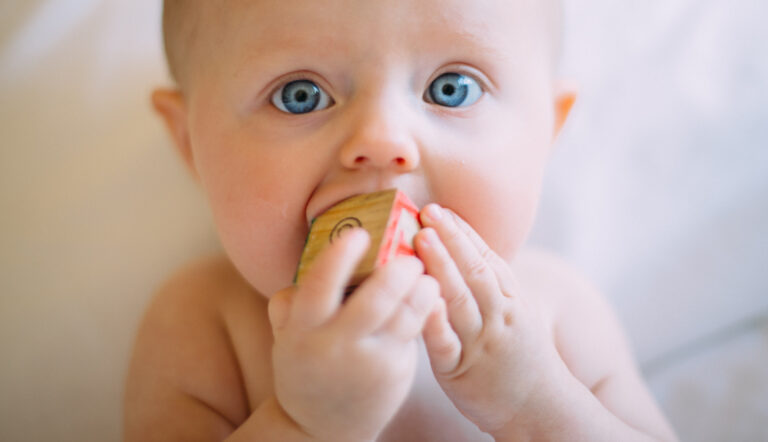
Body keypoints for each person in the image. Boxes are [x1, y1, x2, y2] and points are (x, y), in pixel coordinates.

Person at [124, 0, 678, 440]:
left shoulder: (555, 312)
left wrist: (534, 403)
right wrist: (303, 425)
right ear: (192, 144)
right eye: (301, 96)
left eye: (451, 89)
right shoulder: (205, 322)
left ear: (545, 134)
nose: (383, 140)